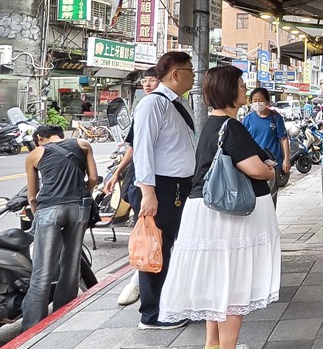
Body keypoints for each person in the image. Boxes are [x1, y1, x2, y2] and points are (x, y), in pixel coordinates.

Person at [159, 66, 280, 349]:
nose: (245, 90)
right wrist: (269, 172)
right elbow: (253, 168)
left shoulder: (212, 125)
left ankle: (213, 347)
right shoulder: (232, 126)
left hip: (206, 213)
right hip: (228, 218)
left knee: (218, 280)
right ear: (228, 90)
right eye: (240, 84)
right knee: (234, 282)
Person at [131, 51, 197, 330]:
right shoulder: (152, 105)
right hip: (161, 185)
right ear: (175, 74)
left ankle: (170, 303)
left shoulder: (178, 103)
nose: (193, 75)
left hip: (180, 185)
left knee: (172, 246)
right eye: (190, 70)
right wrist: (148, 192)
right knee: (155, 247)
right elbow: (142, 150)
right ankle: (152, 313)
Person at [22, 125, 99, 330]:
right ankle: (62, 317)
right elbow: (92, 179)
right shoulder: (83, 145)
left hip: (49, 209)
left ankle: (32, 326)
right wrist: (86, 194)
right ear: (61, 135)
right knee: (70, 266)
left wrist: (36, 211)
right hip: (79, 207)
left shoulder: (34, 155)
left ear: (40, 138)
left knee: (42, 271)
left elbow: (31, 195)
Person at [106, 66, 160, 307]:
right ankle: (138, 278)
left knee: (156, 232)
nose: (147, 85)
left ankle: (139, 279)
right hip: (141, 184)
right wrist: (117, 171)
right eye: (145, 82)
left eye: (152, 80)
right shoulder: (143, 109)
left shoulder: (162, 107)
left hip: (156, 183)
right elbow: (134, 146)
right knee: (146, 231)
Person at [242, 87, 291, 205]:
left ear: (267, 101)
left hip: (272, 162)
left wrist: (286, 160)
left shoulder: (275, 117)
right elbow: (243, 141)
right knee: (255, 195)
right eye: (255, 100)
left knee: (271, 194)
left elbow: (283, 139)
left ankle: (270, 220)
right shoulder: (248, 119)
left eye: (261, 100)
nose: (258, 103)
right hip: (254, 162)